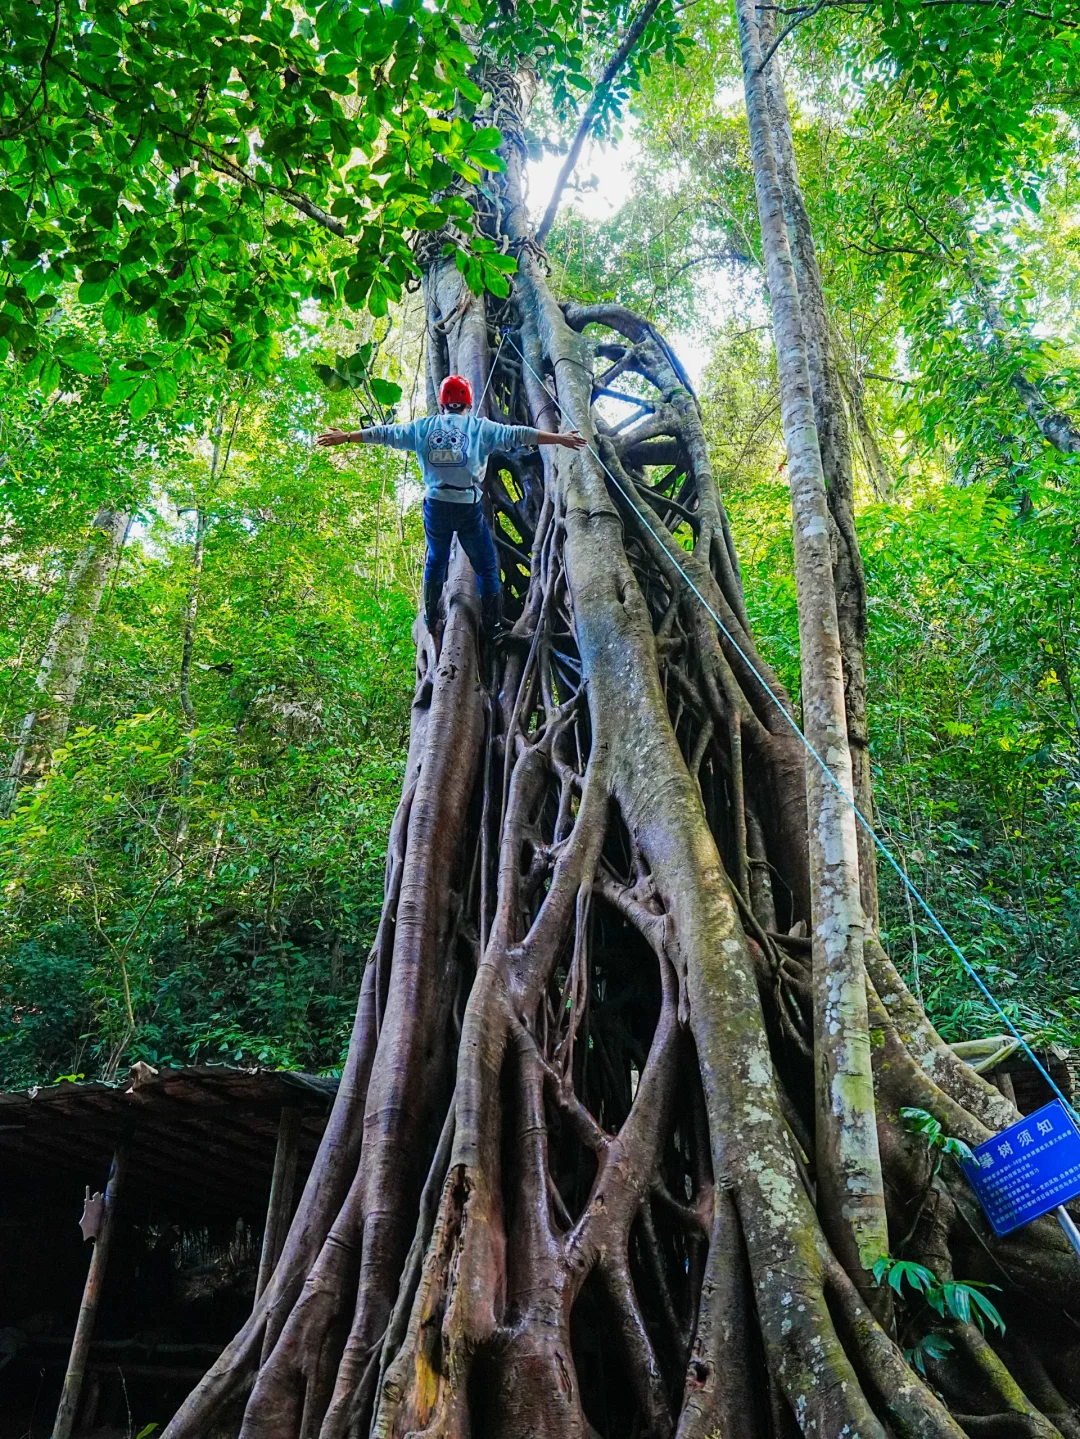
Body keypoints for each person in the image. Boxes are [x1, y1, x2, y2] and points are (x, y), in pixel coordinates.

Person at [317, 374, 586, 639]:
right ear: (468, 402)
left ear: (443, 402)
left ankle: (431, 615)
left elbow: (386, 434)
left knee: (436, 560)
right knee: (487, 565)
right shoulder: (481, 428)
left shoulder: (423, 428)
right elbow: (519, 435)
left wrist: (347, 437)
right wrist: (559, 438)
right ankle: (492, 626)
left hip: (435, 506)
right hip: (468, 508)